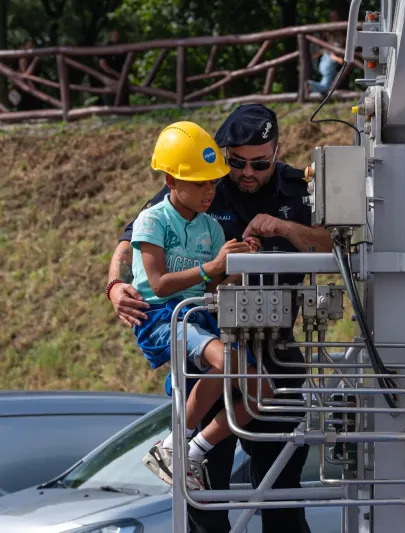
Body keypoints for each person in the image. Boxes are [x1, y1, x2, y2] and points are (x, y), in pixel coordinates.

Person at [106, 104, 333, 533]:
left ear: (277, 151)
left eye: (260, 163)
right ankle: (181, 451)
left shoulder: (295, 187)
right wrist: (115, 285)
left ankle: (184, 449)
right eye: (238, 162)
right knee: (205, 502)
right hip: (208, 339)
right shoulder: (201, 184)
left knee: (283, 489)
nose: (247, 173)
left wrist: (286, 231)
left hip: (275, 342)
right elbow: (130, 237)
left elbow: (338, 242)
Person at [129, 120, 268, 491]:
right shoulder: (152, 219)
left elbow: (213, 283)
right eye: (199, 183)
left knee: (262, 391)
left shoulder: (212, 228)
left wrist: (238, 264)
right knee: (228, 361)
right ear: (170, 182)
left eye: (212, 182)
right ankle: (174, 444)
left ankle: (190, 450)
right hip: (161, 317)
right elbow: (157, 283)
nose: (210, 191)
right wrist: (213, 265)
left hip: (199, 313)